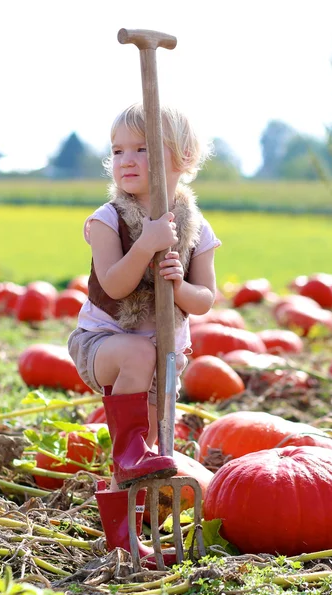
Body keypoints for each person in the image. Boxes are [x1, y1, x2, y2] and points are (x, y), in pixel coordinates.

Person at [67, 102, 221, 564]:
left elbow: (205, 300)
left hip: (162, 359)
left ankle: (126, 541)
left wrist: (179, 285)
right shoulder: (107, 219)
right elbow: (114, 282)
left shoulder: (196, 228)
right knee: (135, 355)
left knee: (139, 453)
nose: (126, 160)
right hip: (104, 346)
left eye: (142, 149)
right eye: (117, 151)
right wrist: (149, 245)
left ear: (184, 157)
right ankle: (131, 455)